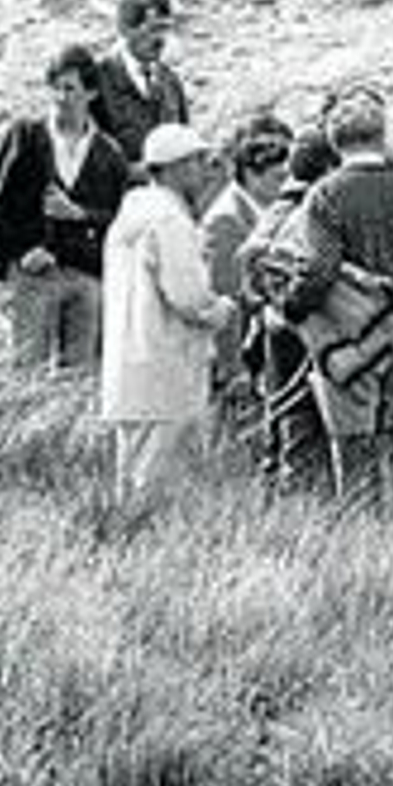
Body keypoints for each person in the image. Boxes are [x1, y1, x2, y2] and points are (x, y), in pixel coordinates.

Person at [278, 83, 393, 503]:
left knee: (354, 444)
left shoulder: (326, 194)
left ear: (335, 142)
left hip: (352, 329)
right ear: (381, 136)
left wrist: (290, 307)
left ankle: (362, 525)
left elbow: (320, 270)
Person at [99, 124, 236, 517]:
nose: (204, 170)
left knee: (131, 480)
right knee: (159, 486)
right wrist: (222, 310)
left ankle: (128, 546)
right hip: (166, 363)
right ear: (175, 167)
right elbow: (188, 298)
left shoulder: (133, 214)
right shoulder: (169, 220)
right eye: (197, 161)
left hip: (130, 366)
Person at [0, 44, 130, 373]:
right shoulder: (26, 135)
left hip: (86, 278)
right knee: (27, 373)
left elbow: (120, 219)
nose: (61, 97)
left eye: (70, 89)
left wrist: (81, 214)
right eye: (55, 88)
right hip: (33, 276)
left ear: (91, 93)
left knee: (78, 377)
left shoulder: (109, 154)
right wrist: (22, 250)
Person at [237, 128, 339, 492]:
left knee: (280, 424)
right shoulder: (313, 208)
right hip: (300, 327)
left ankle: (277, 499)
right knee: (303, 427)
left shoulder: (276, 209)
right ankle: (304, 505)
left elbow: (249, 269)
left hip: (271, 329)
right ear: (329, 167)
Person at [202, 114, 293, 432]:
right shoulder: (226, 221)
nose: (285, 185)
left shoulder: (264, 211)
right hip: (236, 359)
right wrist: (233, 368)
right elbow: (224, 298)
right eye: (278, 177)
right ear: (251, 175)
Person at [93, 0, 189, 166]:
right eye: (152, 29)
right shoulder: (97, 82)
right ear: (124, 29)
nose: (160, 39)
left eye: (165, 29)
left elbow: (185, 149)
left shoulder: (171, 83)